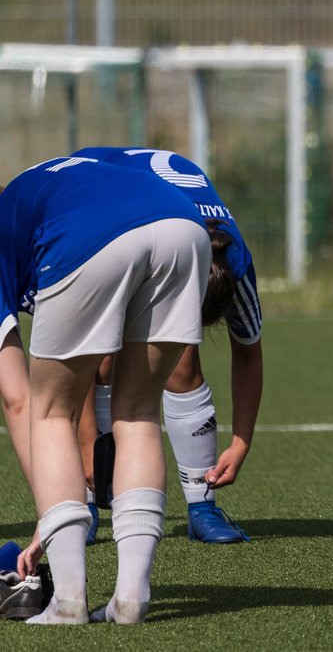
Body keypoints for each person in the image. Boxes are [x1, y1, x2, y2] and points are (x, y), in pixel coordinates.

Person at [0, 154, 234, 624]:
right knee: (138, 411)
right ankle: (130, 599)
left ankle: (68, 603)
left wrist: (50, 523)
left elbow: (20, 399)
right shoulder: (25, 195)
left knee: (50, 413)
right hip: (185, 229)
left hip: (92, 233)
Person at [72, 147, 262, 544]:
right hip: (100, 208)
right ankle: (86, 500)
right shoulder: (118, 243)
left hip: (156, 221)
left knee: (181, 361)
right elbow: (78, 354)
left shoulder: (235, 263)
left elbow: (247, 353)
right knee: (103, 358)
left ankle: (201, 505)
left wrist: (241, 443)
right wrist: (89, 444)